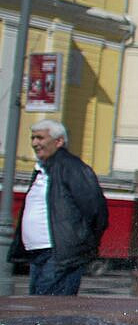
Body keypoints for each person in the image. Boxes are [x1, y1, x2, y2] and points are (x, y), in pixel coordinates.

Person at [11, 120, 109, 296]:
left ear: (59, 141)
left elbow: (96, 209)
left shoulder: (71, 167)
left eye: (40, 138)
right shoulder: (42, 168)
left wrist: (83, 243)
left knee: (51, 311)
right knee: (39, 308)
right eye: (33, 138)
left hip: (61, 254)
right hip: (39, 253)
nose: (34, 143)